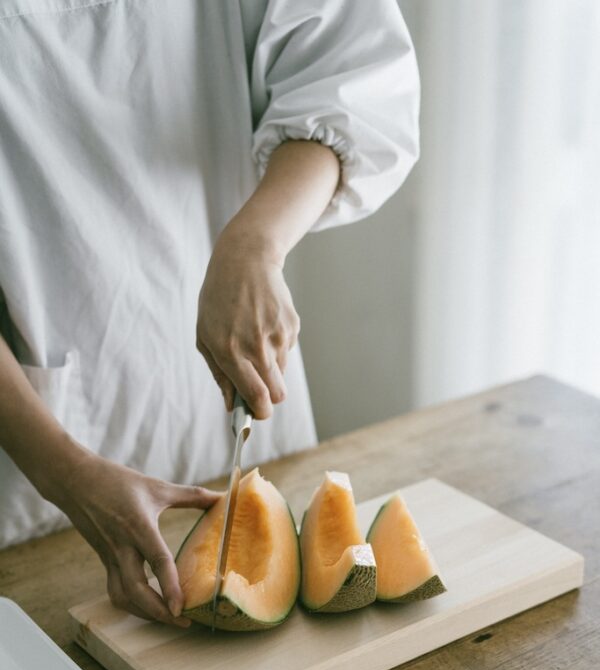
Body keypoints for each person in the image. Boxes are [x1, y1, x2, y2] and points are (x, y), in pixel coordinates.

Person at [0, 0, 419, 626]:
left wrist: (255, 243)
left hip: (237, 375)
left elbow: (350, 77)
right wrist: (65, 472)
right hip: (31, 456)